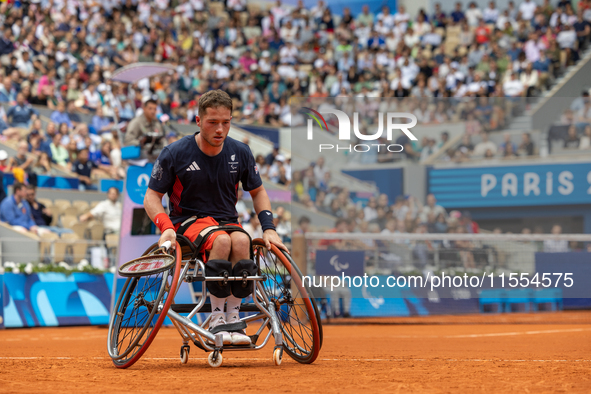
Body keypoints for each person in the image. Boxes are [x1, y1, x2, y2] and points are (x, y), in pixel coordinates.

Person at [143, 90, 287, 346]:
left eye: (226, 123)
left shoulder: (241, 152)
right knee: (221, 241)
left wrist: (269, 228)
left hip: (226, 220)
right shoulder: (175, 153)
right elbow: (152, 197)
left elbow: (258, 191)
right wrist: (165, 227)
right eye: (213, 123)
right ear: (198, 121)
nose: (220, 129)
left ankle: (233, 317)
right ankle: (217, 317)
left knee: (242, 242)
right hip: (187, 222)